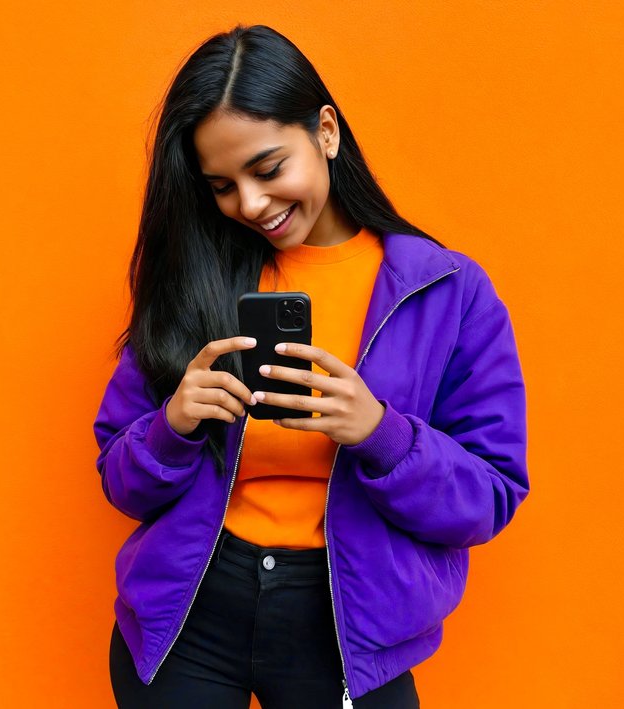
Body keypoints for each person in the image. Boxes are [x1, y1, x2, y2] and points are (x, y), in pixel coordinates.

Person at [92, 24, 529, 709]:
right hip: (191, 612)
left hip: (346, 622)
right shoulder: (197, 277)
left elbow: (490, 495)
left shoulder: (447, 292)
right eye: (222, 185)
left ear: (325, 130)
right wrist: (170, 426)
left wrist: (380, 431)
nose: (251, 204)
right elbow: (119, 480)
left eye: (267, 169)